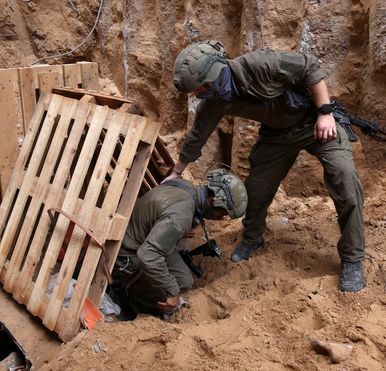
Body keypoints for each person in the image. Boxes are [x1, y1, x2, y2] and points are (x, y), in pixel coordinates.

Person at [165, 40, 366, 292]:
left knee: (345, 180)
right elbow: (198, 135)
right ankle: (252, 238)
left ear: (214, 76)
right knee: (256, 190)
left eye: (200, 89)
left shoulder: (261, 63)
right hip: (277, 136)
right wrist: (176, 172)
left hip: (317, 124)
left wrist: (325, 112)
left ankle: (353, 258)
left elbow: (311, 67)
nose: (198, 95)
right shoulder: (215, 99)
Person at [111, 169, 248, 318]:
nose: (221, 218)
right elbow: (148, 255)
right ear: (212, 202)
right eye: (223, 214)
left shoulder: (187, 187)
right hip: (128, 252)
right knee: (169, 304)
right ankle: (123, 297)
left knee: (184, 281)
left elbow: (164, 214)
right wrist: (172, 292)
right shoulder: (181, 217)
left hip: (146, 237)